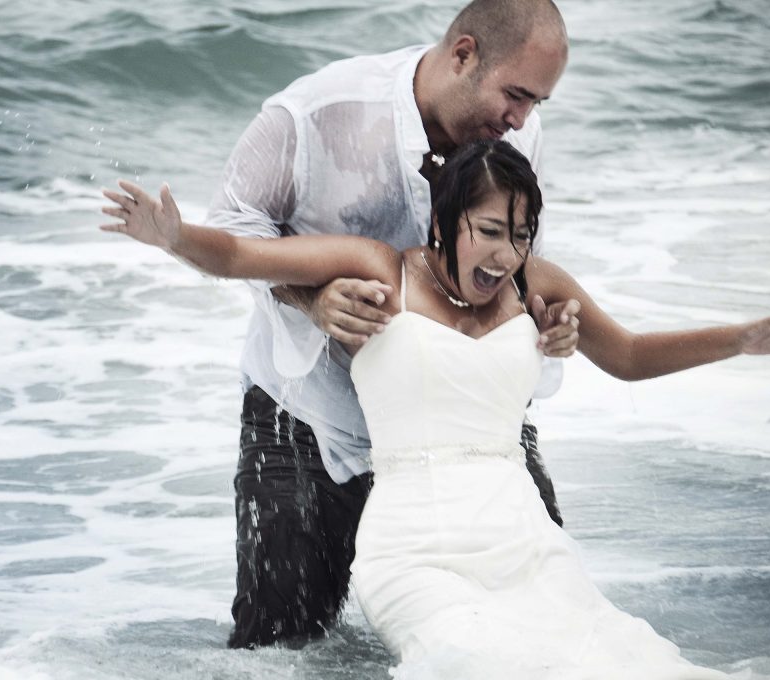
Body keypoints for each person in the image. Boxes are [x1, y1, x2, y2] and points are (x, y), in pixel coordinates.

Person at [100, 139, 770, 677]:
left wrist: (745, 339)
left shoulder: (533, 285)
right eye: (489, 229)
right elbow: (247, 254)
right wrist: (176, 237)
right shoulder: (383, 270)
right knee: (476, 664)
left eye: (520, 233)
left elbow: (631, 357)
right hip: (415, 551)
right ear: (443, 221)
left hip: (525, 545)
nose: (505, 251)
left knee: (624, 662)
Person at [200, 0, 575, 648]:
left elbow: (520, 263)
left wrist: (546, 317)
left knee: (541, 625)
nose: (522, 120)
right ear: (463, 54)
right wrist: (309, 298)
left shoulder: (513, 138)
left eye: (536, 103)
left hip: (460, 425)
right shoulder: (319, 114)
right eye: (516, 95)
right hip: (307, 416)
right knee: (278, 650)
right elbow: (230, 229)